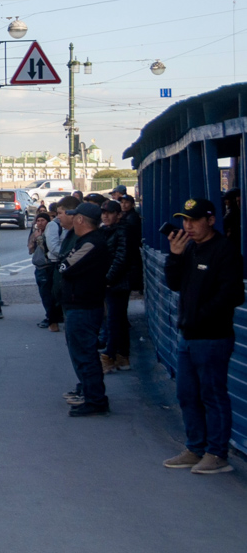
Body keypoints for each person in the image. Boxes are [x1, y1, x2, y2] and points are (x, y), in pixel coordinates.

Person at [162, 198, 244, 474]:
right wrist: (174, 255)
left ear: (211, 220)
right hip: (188, 335)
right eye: (185, 220)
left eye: (194, 220)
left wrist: (199, 316)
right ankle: (195, 447)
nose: (188, 226)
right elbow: (173, 283)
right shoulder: (190, 249)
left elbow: (232, 294)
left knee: (212, 394)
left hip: (212, 337)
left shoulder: (224, 250)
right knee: (187, 394)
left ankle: (217, 453)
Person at [57, 202, 110, 416]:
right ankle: (90, 394)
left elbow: (65, 267)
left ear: (80, 220)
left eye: (73, 215)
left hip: (84, 306)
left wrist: (64, 263)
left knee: (85, 354)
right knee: (82, 353)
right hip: (82, 304)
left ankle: (95, 399)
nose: (70, 219)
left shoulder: (91, 243)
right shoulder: (87, 241)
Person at [98, 200, 132, 372]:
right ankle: (122, 356)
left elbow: (121, 258)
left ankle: (109, 356)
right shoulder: (105, 231)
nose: (105, 215)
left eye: (110, 212)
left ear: (118, 215)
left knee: (113, 320)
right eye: (103, 212)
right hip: (112, 281)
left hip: (117, 283)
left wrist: (107, 279)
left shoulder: (122, 231)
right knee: (118, 319)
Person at [29, 208, 62, 330]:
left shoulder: (50, 232)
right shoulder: (36, 232)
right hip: (39, 266)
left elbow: (50, 248)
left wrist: (41, 239)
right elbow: (30, 249)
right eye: (38, 220)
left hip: (48, 266)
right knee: (44, 294)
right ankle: (52, 316)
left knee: (48, 294)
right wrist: (35, 237)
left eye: (43, 220)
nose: (40, 223)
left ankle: (51, 318)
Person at [117, 193, 144, 298]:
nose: (123, 205)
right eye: (122, 202)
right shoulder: (125, 216)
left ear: (132, 204)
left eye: (126, 202)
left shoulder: (132, 217)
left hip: (132, 249)